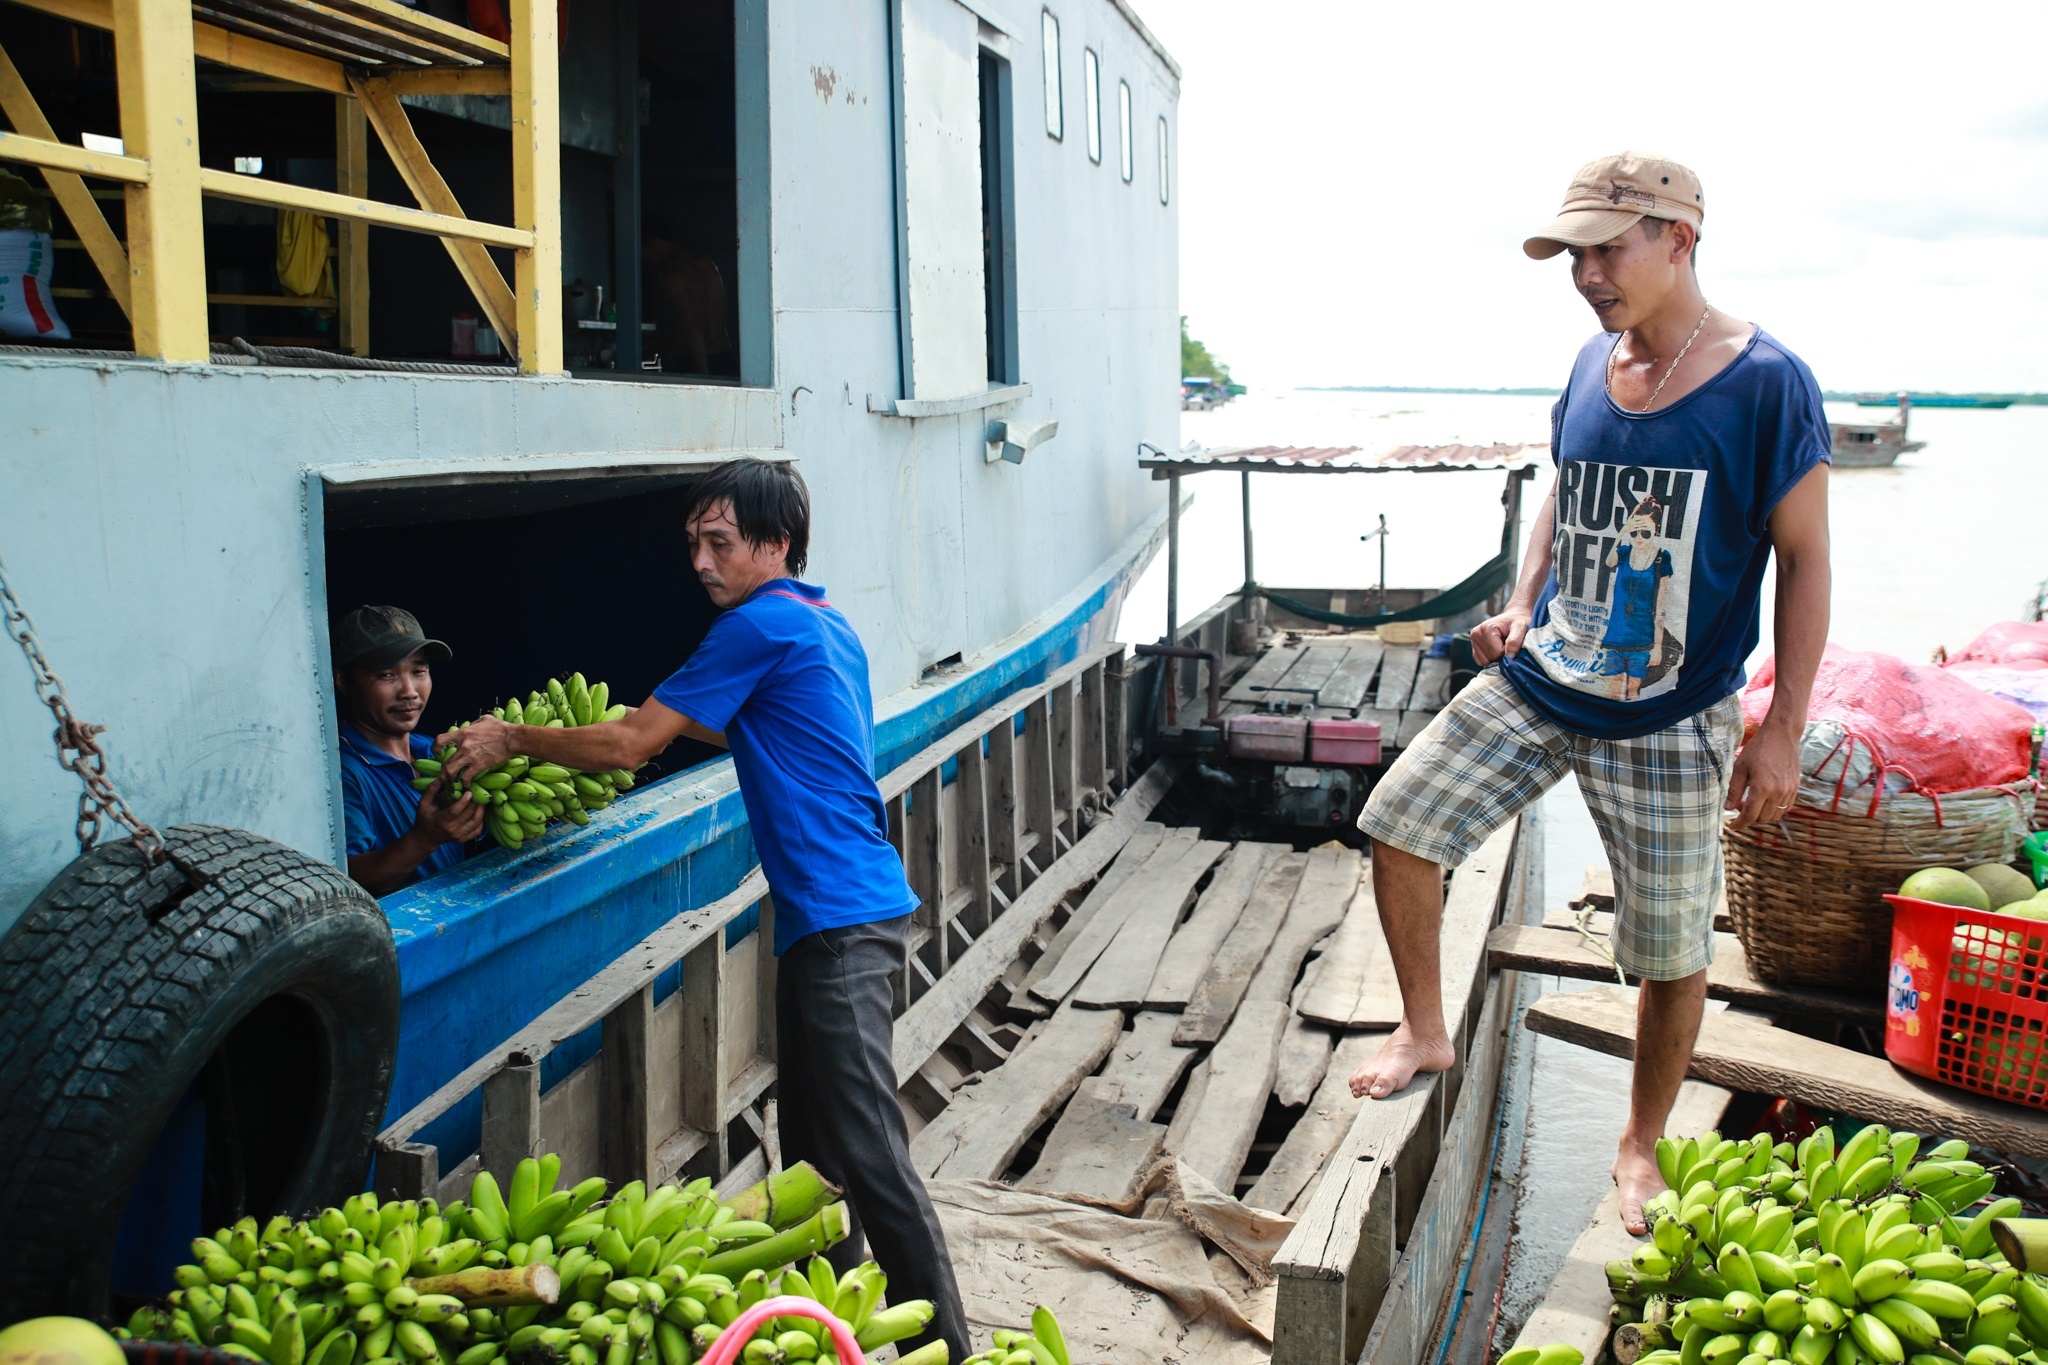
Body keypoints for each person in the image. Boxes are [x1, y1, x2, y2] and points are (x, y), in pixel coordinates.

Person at [1347, 152, 1832, 1235]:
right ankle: (1424, 1029)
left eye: (1608, 247)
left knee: (1666, 951)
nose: (1585, 273)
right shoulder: (1584, 364)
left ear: (1679, 239)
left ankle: (1638, 1144)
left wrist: (1780, 730)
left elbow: (1803, 560)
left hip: (1672, 708)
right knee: (1397, 822)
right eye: (1573, 252)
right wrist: (1522, 603)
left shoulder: (1766, 383)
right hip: (1544, 678)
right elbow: (1566, 492)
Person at [432, 459, 972, 1361]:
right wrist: (661, 724)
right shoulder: (824, 624)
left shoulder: (754, 625)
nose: (700, 560)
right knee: (814, 1159)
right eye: (693, 542)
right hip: (837, 918)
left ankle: (950, 1347)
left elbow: (631, 743)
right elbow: (751, 724)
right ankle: (830, 1327)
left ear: (776, 544)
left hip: (840, 923)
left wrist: (513, 738)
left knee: (871, 1154)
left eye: (720, 541)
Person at [333, 605, 486, 896]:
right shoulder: (342, 771)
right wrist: (424, 839)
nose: (409, 691)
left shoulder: (433, 750)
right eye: (387, 675)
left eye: (419, 671)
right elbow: (345, 881)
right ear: (343, 680)